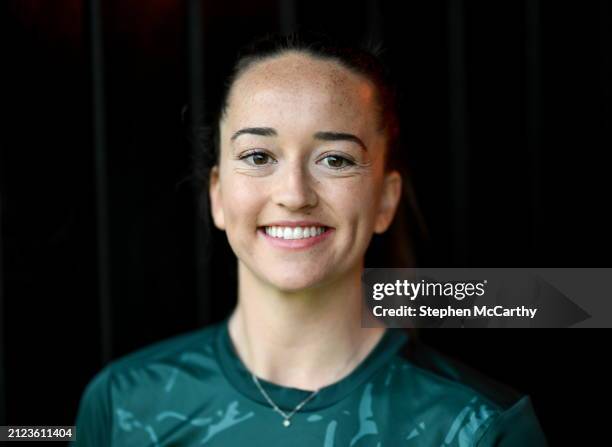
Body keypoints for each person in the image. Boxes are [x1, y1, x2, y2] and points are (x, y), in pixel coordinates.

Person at [72, 30, 548, 446]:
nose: (294, 194)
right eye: (259, 156)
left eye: (335, 159)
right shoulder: (123, 403)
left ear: (385, 200)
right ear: (218, 195)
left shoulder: (478, 425)